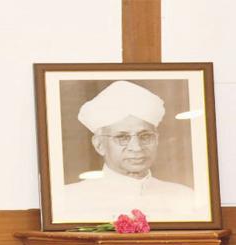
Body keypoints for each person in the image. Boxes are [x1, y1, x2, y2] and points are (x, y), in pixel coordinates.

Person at [59, 80, 197, 221]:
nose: (136, 148)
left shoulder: (185, 198)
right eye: (122, 137)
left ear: (156, 140)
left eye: (145, 136)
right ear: (99, 144)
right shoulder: (69, 199)